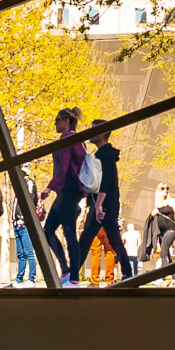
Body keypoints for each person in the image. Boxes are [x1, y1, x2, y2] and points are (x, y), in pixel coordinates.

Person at [70, 121, 131, 281]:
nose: (90, 133)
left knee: (89, 240)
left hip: (103, 205)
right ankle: (128, 273)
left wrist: (98, 205)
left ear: (102, 133)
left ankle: (73, 276)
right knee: (108, 239)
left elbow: (107, 181)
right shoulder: (104, 154)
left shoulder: (104, 155)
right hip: (105, 204)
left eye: (93, 130)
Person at [39, 108, 86, 282]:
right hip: (72, 192)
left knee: (63, 231)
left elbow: (64, 165)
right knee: (56, 230)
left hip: (67, 191)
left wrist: (50, 188)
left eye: (57, 120)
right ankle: (68, 271)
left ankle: (71, 274)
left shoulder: (67, 139)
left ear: (66, 121)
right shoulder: (79, 141)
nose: (55, 123)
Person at [12, 170, 40, 285]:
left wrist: (24, 218)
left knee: (29, 252)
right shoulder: (19, 185)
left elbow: (30, 199)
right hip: (16, 223)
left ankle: (31, 278)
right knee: (20, 254)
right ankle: (19, 278)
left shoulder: (29, 183)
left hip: (24, 223)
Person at [150, 185, 175, 269]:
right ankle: (173, 277)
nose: (166, 190)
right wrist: (153, 213)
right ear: (158, 190)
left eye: (167, 188)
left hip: (171, 229)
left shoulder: (172, 201)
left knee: (163, 252)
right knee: (167, 254)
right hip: (161, 232)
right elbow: (152, 217)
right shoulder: (157, 204)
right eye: (163, 188)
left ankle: (167, 275)